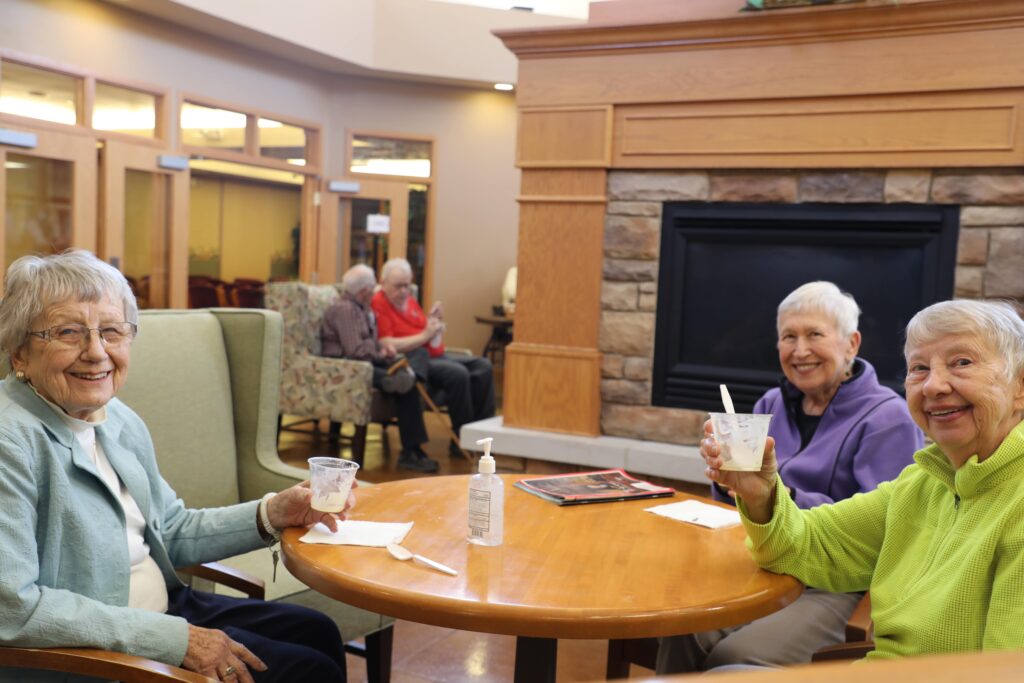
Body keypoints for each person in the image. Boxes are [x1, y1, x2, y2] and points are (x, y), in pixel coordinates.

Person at [0, 250, 351, 683]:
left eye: (112, 331)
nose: (96, 352)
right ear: (19, 354)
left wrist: (274, 512)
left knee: (317, 631)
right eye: (67, 332)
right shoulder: (9, 441)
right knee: (308, 672)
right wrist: (174, 640)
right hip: (93, 652)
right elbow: (11, 608)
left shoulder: (117, 420)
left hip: (162, 610)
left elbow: (171, 530)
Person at [699, 298, 1024, 663]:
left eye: (961, 362)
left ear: (1020, 385)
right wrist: (762, 494)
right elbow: (805, 544)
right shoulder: (925, 480)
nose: (933, 386)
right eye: (918, 367)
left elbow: (1004, 671)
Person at [658, 281, 923, 673]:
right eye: (788, 336)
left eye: (814, 334)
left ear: (851, 344)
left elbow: (883, 528)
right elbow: (739, 503)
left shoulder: (888, 418)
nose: (800, 350)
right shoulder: (771, 403)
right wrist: (729, 477)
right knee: (682, 627)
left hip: (837, 584)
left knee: (732, 657)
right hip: (764, 565)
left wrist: (777, 496)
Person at [371, 258, 495, 458]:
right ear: (383, 283)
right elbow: (386, 343)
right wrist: (425, 336)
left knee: (483, 366)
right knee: (458, 374)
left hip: (432, 354)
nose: (404, 291)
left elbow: (430, 338)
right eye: (398, 286)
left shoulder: (409, 300)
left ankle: (480, 432)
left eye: (407, 285)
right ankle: (462, 439)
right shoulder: (379, 303)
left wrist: (434, 323)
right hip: (412, 359)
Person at [321, 264, 439, 473]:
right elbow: (355, 350)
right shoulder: (345, 309)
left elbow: (368, 343)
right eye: (373, 286)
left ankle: (404, 377)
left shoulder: (362, 308)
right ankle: (412, 451)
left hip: (368, 361)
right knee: (406, 386)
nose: (376, 291)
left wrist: (382, 350)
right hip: (349, 368)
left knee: (418, 356)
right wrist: (379, 353)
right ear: (365, 291)